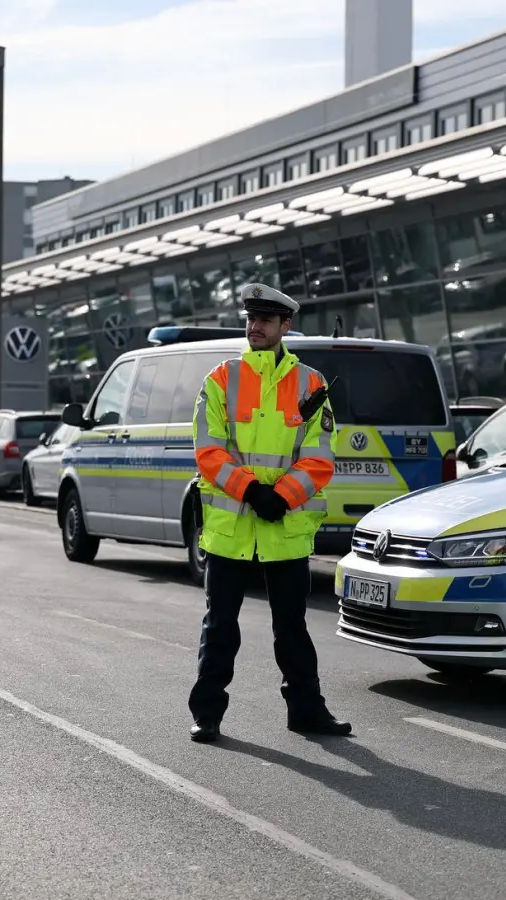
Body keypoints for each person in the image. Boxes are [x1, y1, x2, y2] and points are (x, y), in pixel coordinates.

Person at [186, 282, 350, 744]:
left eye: (264, 320)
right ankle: (207, 714)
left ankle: (306, 711)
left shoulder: (311, 384)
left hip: (286, 527)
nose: (254, 327)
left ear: (285, 326)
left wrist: (282, 497)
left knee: (292, 629)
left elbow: (319, 457)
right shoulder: (221, 377)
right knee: (220, 627)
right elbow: (208, 450)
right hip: (232, 527)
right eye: (250, 319)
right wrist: (254, 491)